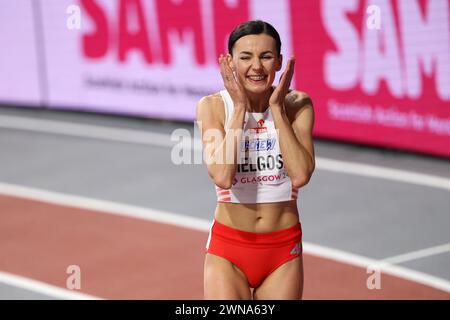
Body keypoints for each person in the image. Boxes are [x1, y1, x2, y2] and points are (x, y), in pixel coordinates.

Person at [196, 20, 315, 300]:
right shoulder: (212, 107)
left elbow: (300, 175)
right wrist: (239, 108)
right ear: (230, 62)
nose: (257, 67)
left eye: (266, 56)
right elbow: (223, 176)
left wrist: (277, 109)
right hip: (229, 249)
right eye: (245, 57)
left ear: (279, 62)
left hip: (282, 251)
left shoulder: (297, 104)